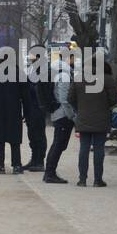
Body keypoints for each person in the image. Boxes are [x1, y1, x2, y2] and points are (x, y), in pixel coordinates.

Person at [69, 59, 117, 187]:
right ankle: (97, 179)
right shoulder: (107, 79)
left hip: (83, 117)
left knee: (84, 148)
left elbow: (70, 98)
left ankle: (82, 179)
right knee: (99, 148)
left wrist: (80, 108)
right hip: (101, 118)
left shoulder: (79, 78)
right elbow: (114, 100)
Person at [0, 53, 24, 174]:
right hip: (14, 110)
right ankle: (17, 165)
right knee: (15, 139)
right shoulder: (18, 73)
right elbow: (25, 93)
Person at [42, 54, 76, 184]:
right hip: (63, 115)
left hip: (58, 114)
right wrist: (72, 116)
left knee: (57, 144)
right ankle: (50, 173)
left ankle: (49, 172)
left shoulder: (57, 75)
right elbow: (64, 99)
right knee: (58, 144)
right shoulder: (64, 76)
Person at [20, 54, 48, 171]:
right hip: (30, 107)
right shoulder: (33, 69)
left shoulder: (43, 71)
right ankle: (34, 159)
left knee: (38, 135)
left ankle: (39, 161)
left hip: (37, 108)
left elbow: (38, 89)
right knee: (32, 135)